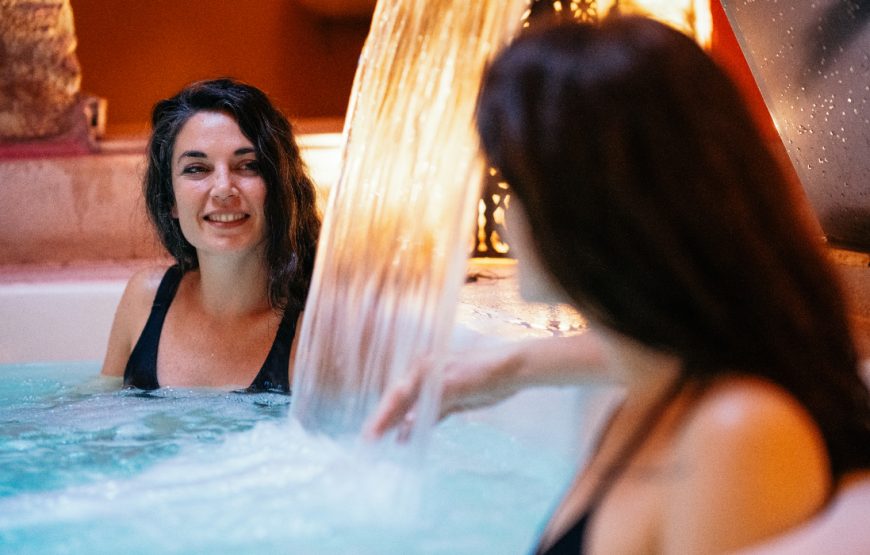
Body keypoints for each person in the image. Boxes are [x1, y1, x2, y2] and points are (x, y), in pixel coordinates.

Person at [366, 16, 870, 554]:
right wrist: (506, 368)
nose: (503, 221)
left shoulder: (736, 436)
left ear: (594, 208)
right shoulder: (661, 391)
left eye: (517, 186)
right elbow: (675, 336)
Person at [101, 78, 321, 392]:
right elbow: (97, 415)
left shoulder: (310, 332)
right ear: (171, 200)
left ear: (279, 188)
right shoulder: (146, 300)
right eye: (196, 169)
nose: (222, 188)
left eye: (247, 165)